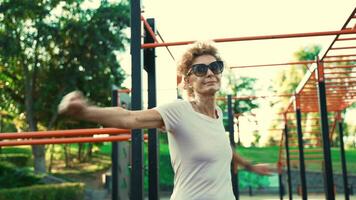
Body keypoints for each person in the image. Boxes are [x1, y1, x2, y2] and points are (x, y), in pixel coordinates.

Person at [58, 41, 272, 200]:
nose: (209, 73)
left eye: (215, 67)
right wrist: (85, 111)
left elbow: (222, 147)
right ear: (188, 80)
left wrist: (249, 166)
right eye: (200, 69)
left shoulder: (217, 113)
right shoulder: (179, 111)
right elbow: (130, 118)